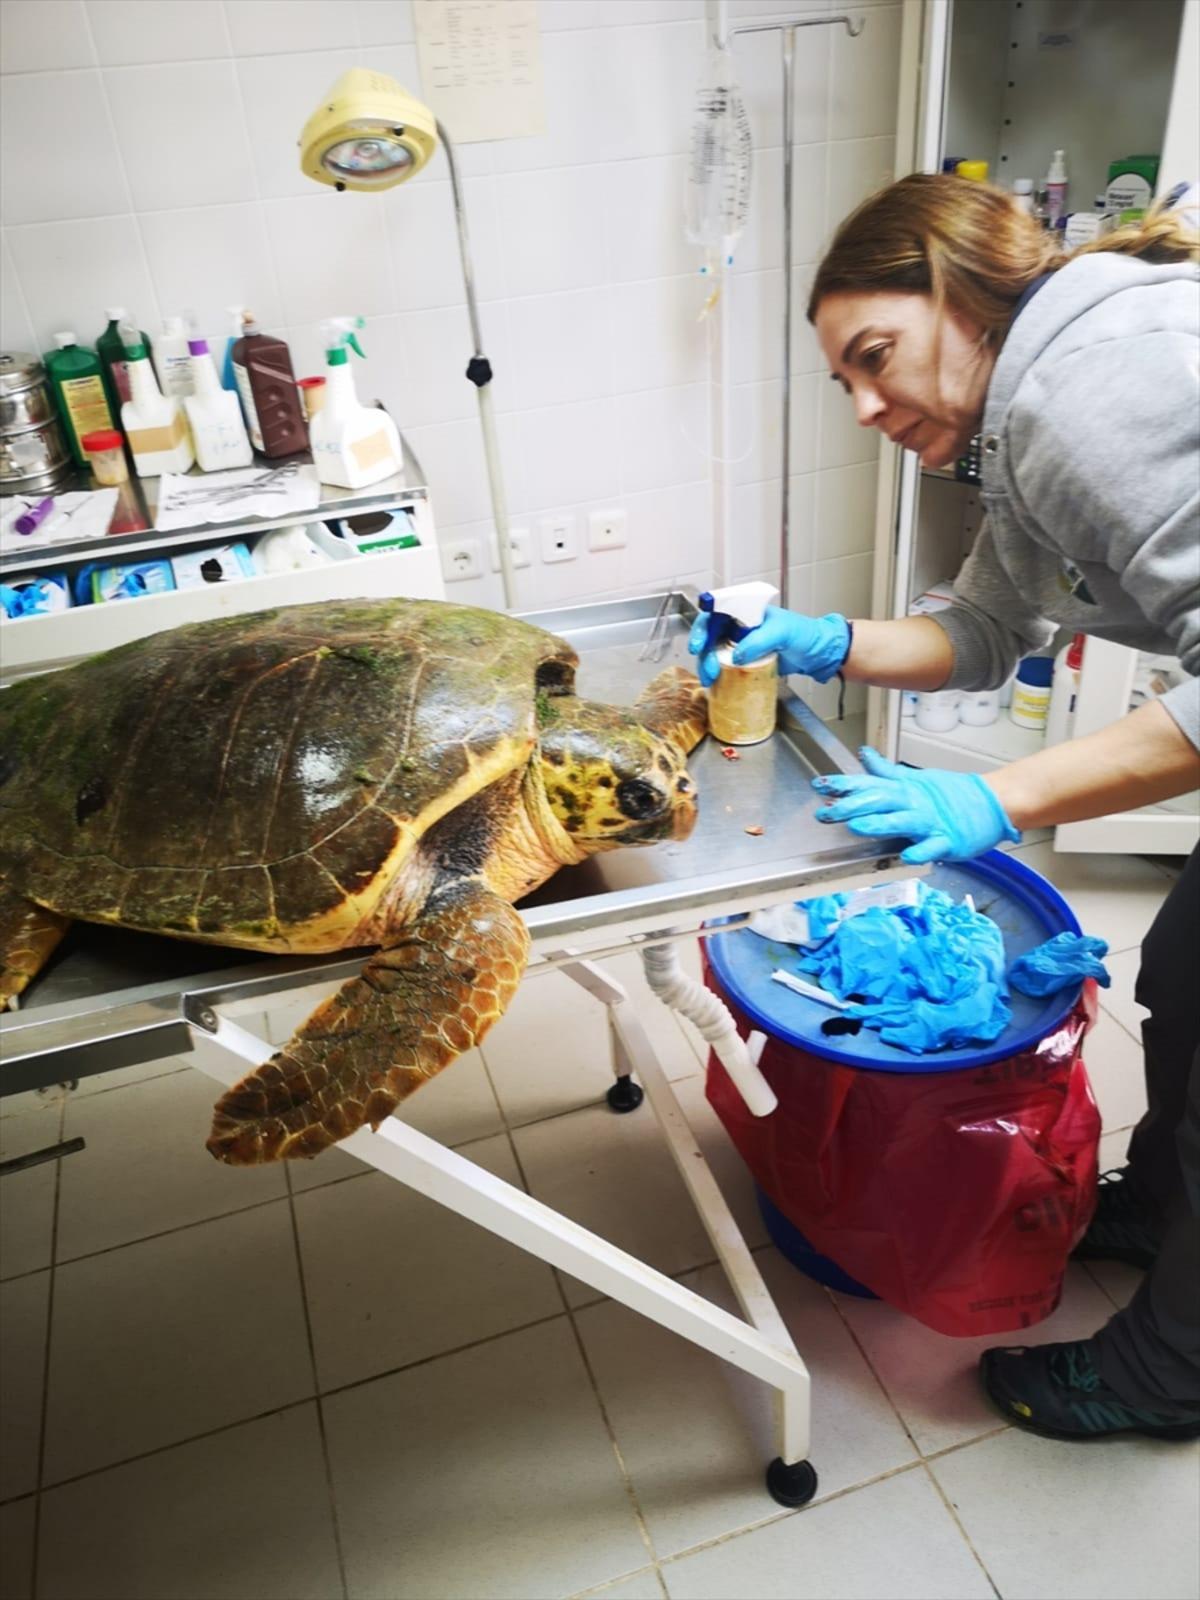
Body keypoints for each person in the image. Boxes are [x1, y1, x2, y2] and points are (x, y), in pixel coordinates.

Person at [693, 173, 1200, 1442]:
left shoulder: (1087, 395)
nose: (866, 406)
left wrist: (997, 795)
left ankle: (1172, 1372)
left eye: (878, 357)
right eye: (843, 382)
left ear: (964, 296)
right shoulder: (1020, 414)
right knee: (1188, 980)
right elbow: (981, 627)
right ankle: (1163, 1211)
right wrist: (819, 640)